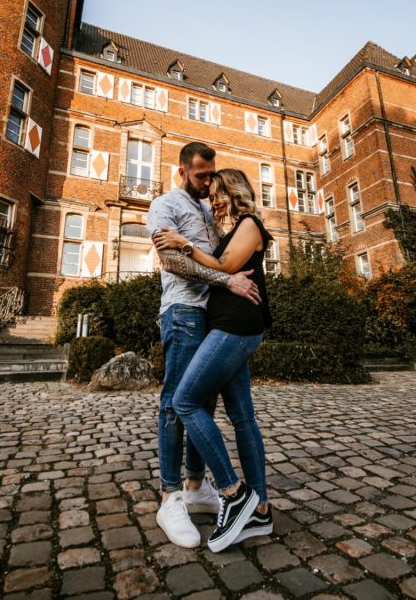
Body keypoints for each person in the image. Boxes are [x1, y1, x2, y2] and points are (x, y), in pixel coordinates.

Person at [146, 143, 261, 549]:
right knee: (175, 404)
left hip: (212, 317)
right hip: (181, 310)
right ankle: (170, 496)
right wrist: (226, 281)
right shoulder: (164, 204)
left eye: (211, 175)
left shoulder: (213, 209)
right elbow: (170, 260)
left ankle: (196, 485)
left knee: (202, 404)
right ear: (182, 171)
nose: (208, 182)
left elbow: (230, 255)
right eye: (200, 176)